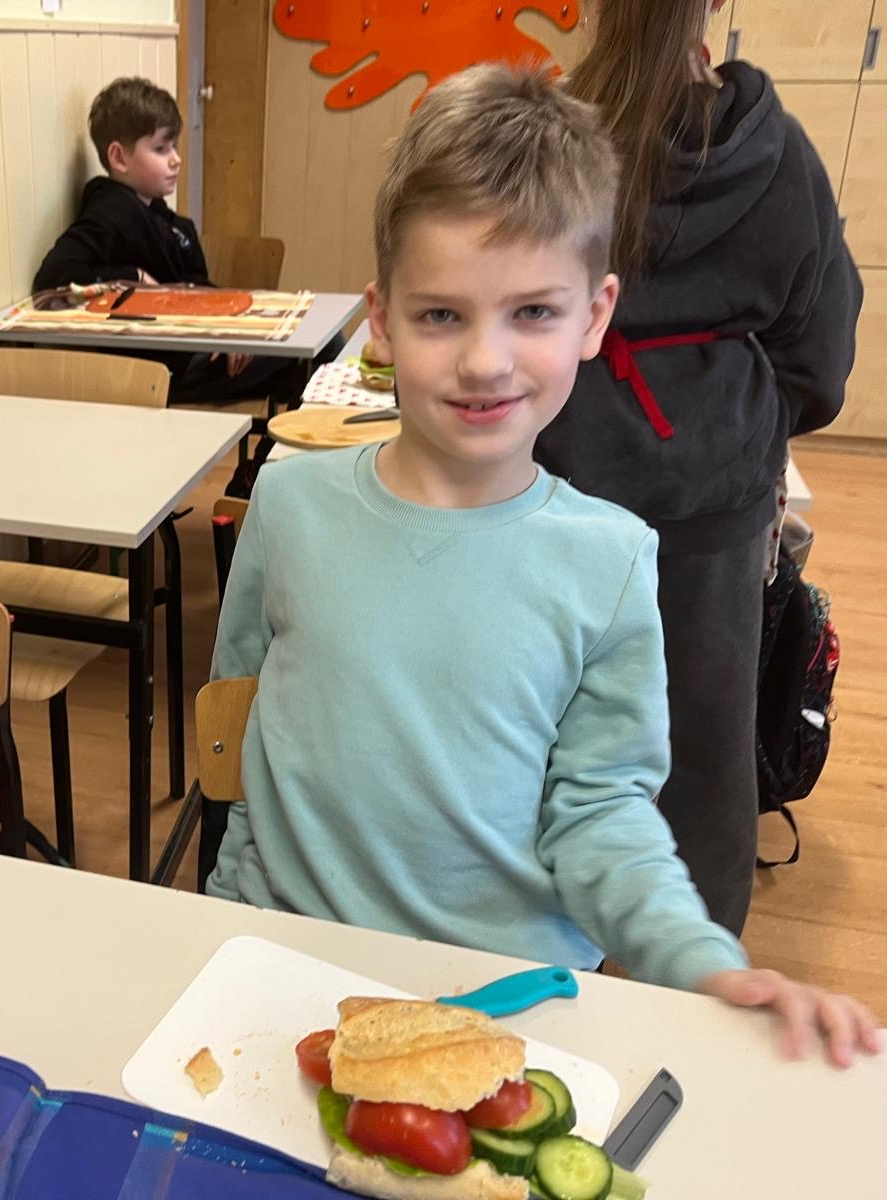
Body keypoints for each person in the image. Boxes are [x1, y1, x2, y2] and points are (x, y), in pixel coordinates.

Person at [207, 66, 877, 1066]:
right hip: (288, 973)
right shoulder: (290, 503)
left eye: (532, 312)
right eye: (441, 315)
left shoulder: (611, 561)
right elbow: (239, 727)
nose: (486, 361)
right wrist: (221, 921)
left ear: (595, 315)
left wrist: (700, 958)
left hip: (507, 1005)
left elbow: (603, 813)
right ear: (381, 318)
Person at [541, 0, 861, 934]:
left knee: (543, 727)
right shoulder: (775, 153)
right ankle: (693, 973)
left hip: (551, 484)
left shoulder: (542, 138)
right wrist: (731, 423)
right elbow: (821, 357)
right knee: (704, 749)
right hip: (713, 506)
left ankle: (539, 949)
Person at [34, 75, 339, 493]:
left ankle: (266, 470)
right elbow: (52, 278)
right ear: (119, 157)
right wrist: (133, 278)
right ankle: (265, 475)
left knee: (318, 348)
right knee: (318, 353)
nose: (176, 159)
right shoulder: (110, 213)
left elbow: (197, 290)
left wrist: (230, 329)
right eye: (161, 149)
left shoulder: (174, 224)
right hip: (159, 370)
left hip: (195, 351)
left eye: (174, 146)